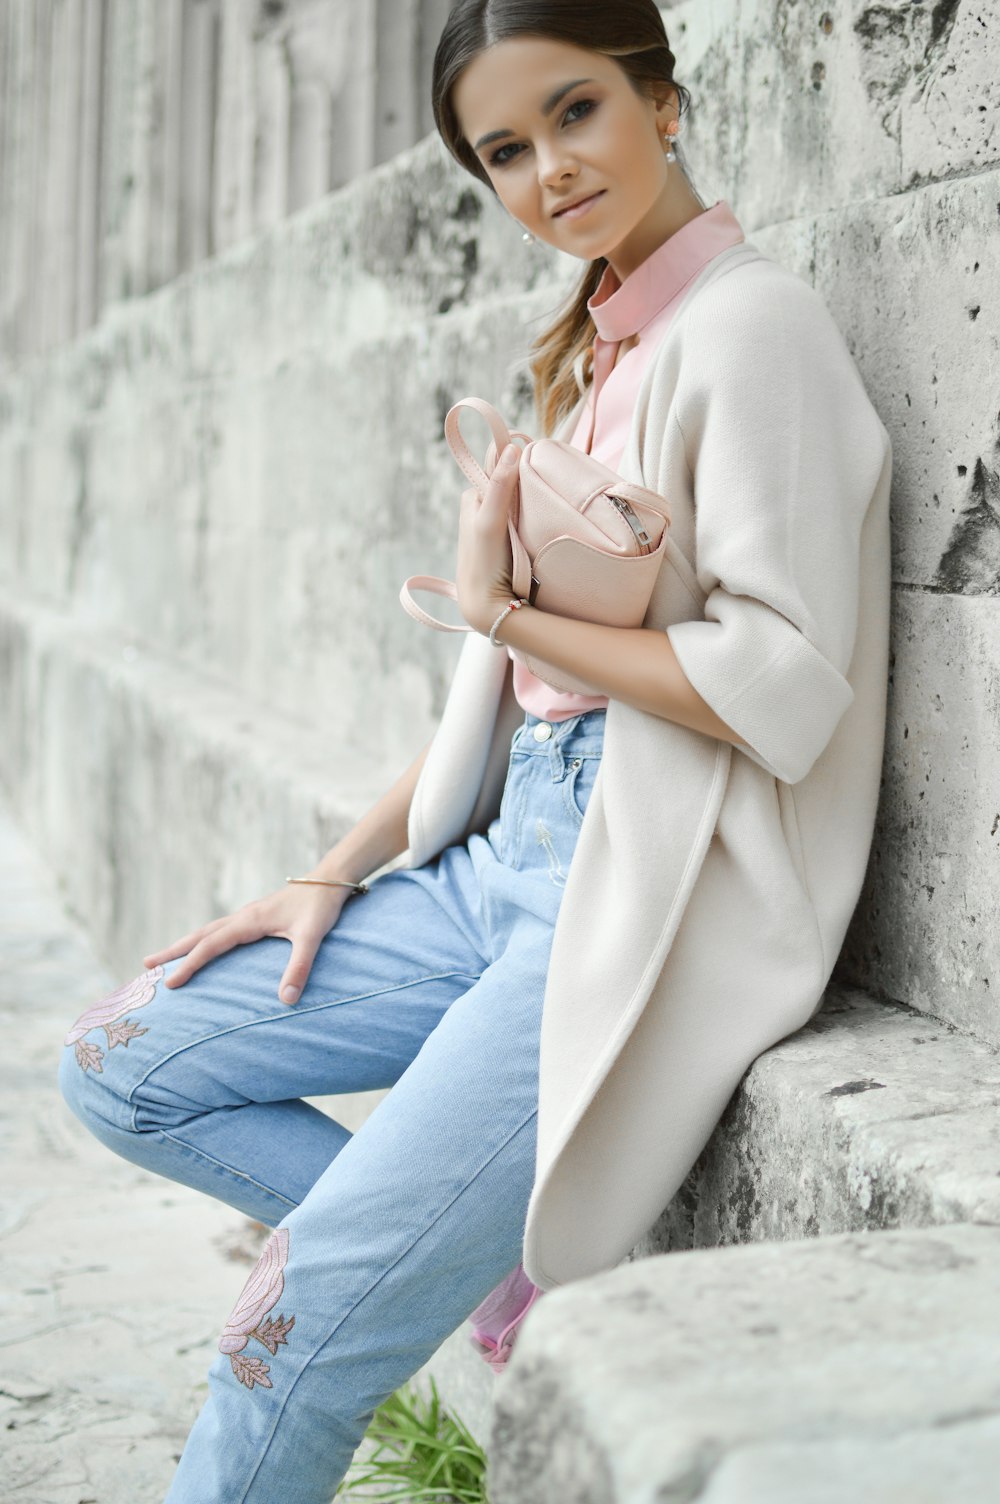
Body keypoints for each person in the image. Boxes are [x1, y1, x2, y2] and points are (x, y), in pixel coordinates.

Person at [57, 1, 893, 1499]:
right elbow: (518, 704)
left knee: (283, 1336)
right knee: (120, 1059)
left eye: (575, 113)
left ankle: (362, 1289)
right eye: (504, 150)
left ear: (664, 98)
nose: (549, 172)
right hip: (497, 869)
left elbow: (784, 683)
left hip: (628, 897)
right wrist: (329, 871)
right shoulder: (596, 349)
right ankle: (447, 1266)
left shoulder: (751, 328)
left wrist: (509, 609)